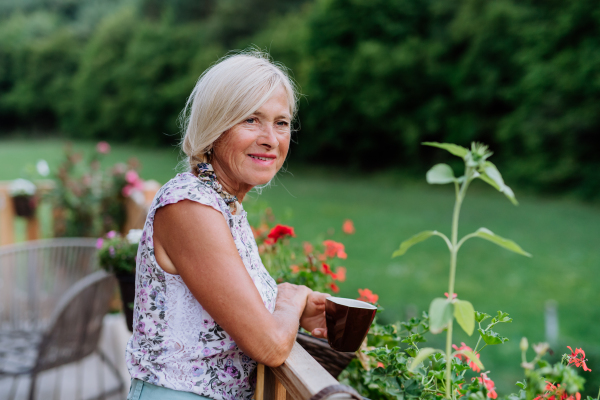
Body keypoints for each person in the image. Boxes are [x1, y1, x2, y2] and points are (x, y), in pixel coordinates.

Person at [125, 52, 329, 400]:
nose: (271, 139)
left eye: (281, 123)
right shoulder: (189, 204)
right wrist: (290, 298)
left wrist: (299, 309)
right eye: (251, 119)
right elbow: (270, 346)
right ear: (214, 127)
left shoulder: (223, 205)